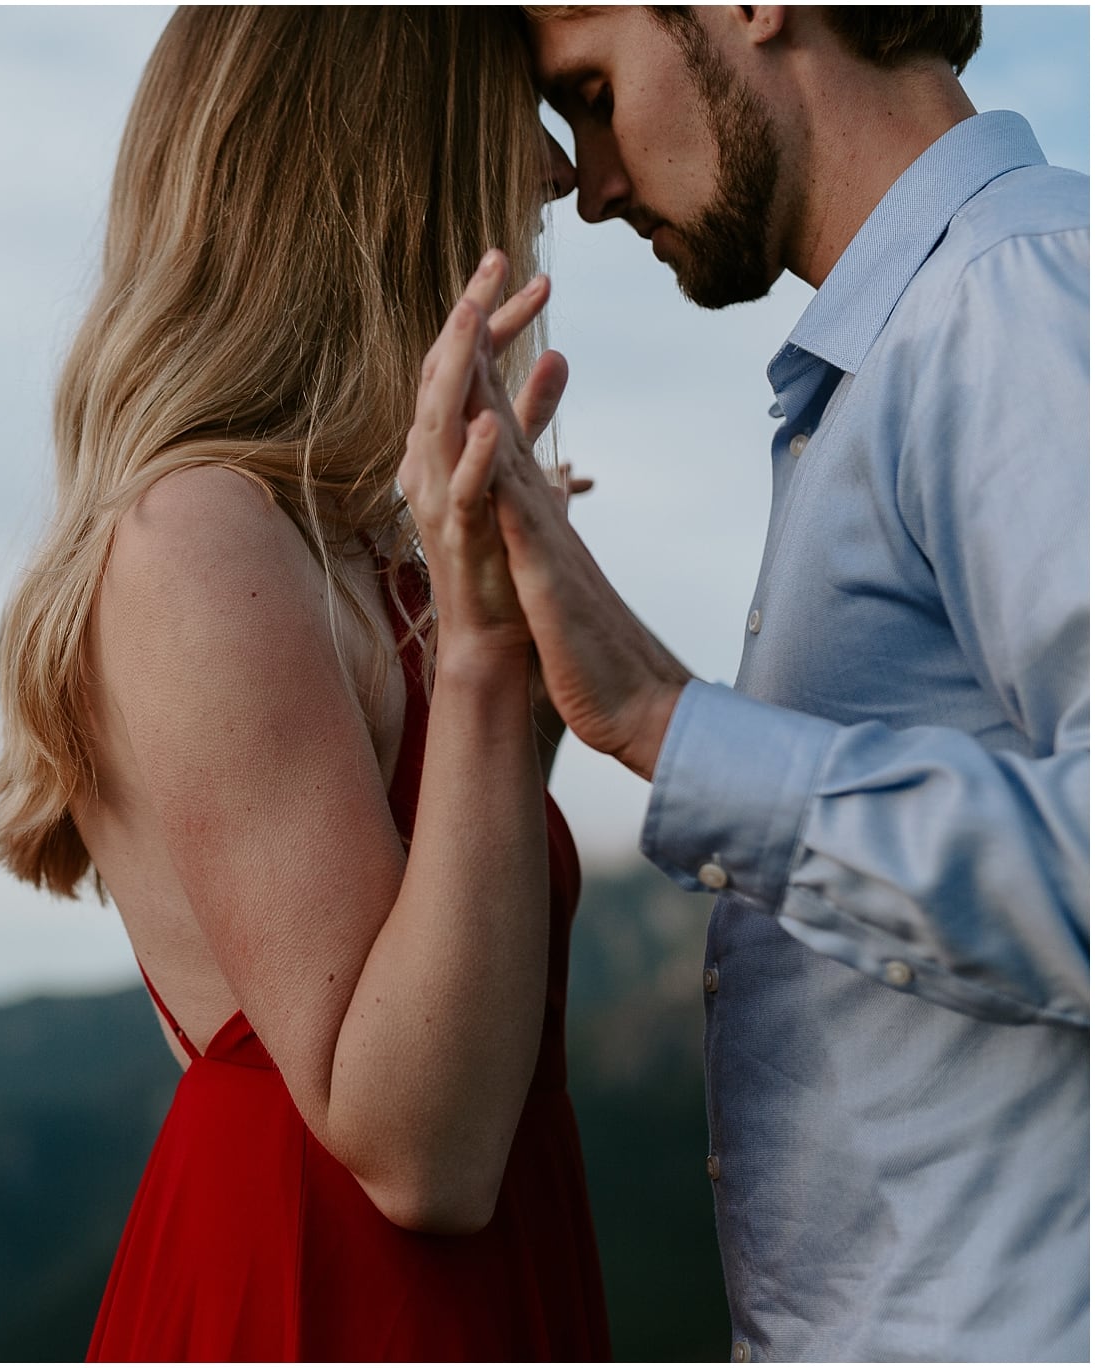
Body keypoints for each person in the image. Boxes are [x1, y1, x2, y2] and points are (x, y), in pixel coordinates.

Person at [439, 6, 1085, 1360]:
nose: (593, 184)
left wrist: (671, 724)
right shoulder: (894, 354)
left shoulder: (1013, 298)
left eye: (597, 92)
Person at [0, 8, 610, 1361]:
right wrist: (494, 657)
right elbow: (418, 1149)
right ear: (399, 152)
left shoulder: (356, 551)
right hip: (322, 1301)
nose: (563, 173)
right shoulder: (197, 537)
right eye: (523, 110)